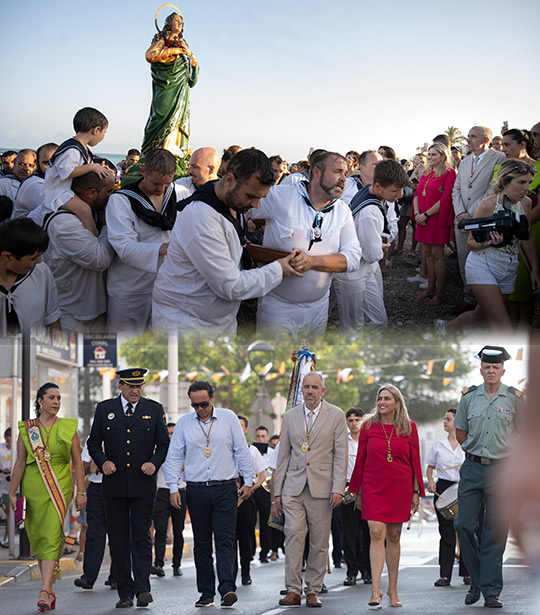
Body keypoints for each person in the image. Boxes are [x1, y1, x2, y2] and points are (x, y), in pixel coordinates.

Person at [152, 149, 300, 336]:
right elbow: (230, 285)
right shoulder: (202, 218)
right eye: (251, 196)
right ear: (229, 180)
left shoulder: (229, 201)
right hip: (186, 324)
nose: (256, 205)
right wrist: (279, 269)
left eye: (261, 198)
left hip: (217, 322)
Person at [251, 151, 362, 339]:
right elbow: (244, 208)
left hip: (318, 308)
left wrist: (311, 262)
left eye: (345, 173)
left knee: (309, 364)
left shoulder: (342, 211)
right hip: (278, 308)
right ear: (317, 172)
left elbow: (353, 258)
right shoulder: (280, 196)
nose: (344, 178)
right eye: (337, 172)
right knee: (276, 365)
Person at [164, 380, 255, 608]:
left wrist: (248, 480)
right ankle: (206, 593)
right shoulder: (185, 423)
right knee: (202, 544)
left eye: (203, 404)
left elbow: (241, 450)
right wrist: (173, 488)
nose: (200, 409)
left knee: (224, 540)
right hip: (196, 490)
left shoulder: (229, 418)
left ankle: (227, 588)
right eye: (195, 405)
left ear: (212, 399)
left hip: (225, 488)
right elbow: (174, 456)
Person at [87, 368, 170, 609]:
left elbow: (163, 445)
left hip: (143, 485)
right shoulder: (105, 409)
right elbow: (93, 443)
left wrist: (153, 464)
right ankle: (125, 592)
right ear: (121, 386)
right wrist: (103, 462)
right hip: (113, 486)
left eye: (139, 386)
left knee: (142, 537)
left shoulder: (154, 409)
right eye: (130, 386)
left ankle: (143, 589)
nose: (135, 390)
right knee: (119, 539)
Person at [272, 372, 348, 607]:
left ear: (322, 391)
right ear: (301, 390)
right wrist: (276, 494)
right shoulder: (290, 416)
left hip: (323, 489)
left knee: (319, 541)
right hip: (293, 487)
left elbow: (340, 456)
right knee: (294, 534)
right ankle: (293, 589)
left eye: (315, 387)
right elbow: (282, 455)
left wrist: (338, 488)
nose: (310, 391)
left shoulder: (336, 415)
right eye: (306, 387)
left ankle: (313, 589)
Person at [454, 346, 521, 609]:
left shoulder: (515, 398)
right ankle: (478, 580)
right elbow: (461, 433)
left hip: (503, 471)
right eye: (486, 367)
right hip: (472, 469)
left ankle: (489, 591)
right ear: (480, 369)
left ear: (503, 371)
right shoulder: (469, 397)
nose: (490, 371)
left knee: (495, 533)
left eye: (495, 367)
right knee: (463, 525)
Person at [8, 383, 86, 611]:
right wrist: (12, 493)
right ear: (40, 401)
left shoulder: (69, 427)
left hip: (59, 485)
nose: (56, 402)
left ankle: (43, 589)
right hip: (32, 486)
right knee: (39, 537)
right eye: (51, 397)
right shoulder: (27, 429)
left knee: (52, 533)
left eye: (59, 398)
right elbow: (20, 462)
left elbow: (78, 462)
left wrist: (81, 492)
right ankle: (49, 591)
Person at [441, 159, 539, 334]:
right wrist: (486, 243)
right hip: (483, 265)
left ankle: (446, 329)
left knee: (482, 317)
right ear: (504, 182)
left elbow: (528, 236)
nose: (527, 188)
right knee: (503, 327)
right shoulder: (487, 204)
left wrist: (534, 270)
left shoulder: (526, 204)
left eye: (529, 183)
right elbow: (470, 243)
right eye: (521, 182)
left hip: (509, 267)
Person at [349, 384, 425, 608]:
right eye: (379, 398)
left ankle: (393, 590)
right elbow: (361, 459)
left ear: (397, 403)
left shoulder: (409, 427)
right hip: (373, 486)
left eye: (387, 398)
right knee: (375, 532)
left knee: (393, 537)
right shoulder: (368, 426)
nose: (382, 402)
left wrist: (416, 491)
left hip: (400, 487)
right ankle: (375, 590)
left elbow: (415, 462)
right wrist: (356, 490)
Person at [107, 148, 183, 334]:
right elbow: (123, 247)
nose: (161, 189)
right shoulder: (121, 201)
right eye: (156, 183)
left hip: (165, 287)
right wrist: (163, 248)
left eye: (167, 183)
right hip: (130, 290)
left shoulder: (175, 194)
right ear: (143, 172)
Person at [334, 159, 408, 332]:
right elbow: (372, 255)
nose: (401, 195)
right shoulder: (370, 212)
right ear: (378, 186)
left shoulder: (367, 193)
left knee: (376, 320)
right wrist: (381, 247)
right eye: (395, 190)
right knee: (352, 326)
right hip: (353, 273)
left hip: (363, 269)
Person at [44, 171, 115, 332]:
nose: (112, 197)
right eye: (109, 191)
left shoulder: (92, 213)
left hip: (96, 311)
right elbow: (99, 260)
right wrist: (106, 226)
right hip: (71, 315)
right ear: (92, 193)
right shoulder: (64, 223)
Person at [452, 126, 506, 314]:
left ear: (485, 140)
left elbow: (493, 189)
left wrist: (472, 213)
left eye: (472, 137)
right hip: (461, 220)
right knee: (463, 259)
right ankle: (468, 299)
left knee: (483, 261)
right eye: (468, 136)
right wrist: (460, 213)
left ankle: (483, 306)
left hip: (483, 219)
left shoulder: (499, 158)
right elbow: (456, 189)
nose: (468, 139)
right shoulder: (465, 161)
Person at [40, 107, 111, 235]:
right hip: (57, 192)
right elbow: (67, 172)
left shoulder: (81, 148)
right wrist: (92, 167)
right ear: (96, 130)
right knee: (84, 210)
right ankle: (94, 237)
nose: (103, 137)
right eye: (104, 132)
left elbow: (83, 169)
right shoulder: (72, 149)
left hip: (65, 190)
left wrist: (98, 167)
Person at [142, 11, 199, 155]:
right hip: (166, 85)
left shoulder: (183, 43)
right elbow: (150, 56)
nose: (180, 24)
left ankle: (174, 154)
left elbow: (191, 71)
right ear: (168, 23)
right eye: (176, 21)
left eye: (182, 22)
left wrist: (192, 60)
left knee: (179, 119)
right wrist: (173, 51)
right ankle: (155, 153)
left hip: (181, 88)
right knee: (160, 116)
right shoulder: (162, 39)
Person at [425, 409, 469, 587]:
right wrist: (430, 481)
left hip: (464, 488)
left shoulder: (468, 443)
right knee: (446, 533)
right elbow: (430, 467)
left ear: (457, 422)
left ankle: (467, 573)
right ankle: (445, 575)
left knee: (466, 531)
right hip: (443, 488)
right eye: (444, 419)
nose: (444, 421)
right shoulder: (438, 444)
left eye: (448, 419)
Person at [0, 218, 61, 336]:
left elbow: (52, 317)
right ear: (7, 257)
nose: (39, 261)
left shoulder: (41, 272)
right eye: (33, 258)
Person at [413, 143, 456, 306]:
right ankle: (429, 289)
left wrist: (425, 215)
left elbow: (445, 199)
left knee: (438, 255)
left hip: (436, 219)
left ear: (443, 156)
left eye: (434, 155)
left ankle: (440, 293)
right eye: (429, 154)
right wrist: (417, 214)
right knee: (427, 254)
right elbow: (417, 193)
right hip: (422, 218)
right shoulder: (426, 171)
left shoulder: (449, 173)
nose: (429, 157)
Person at [73, 439, 116, 590]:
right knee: (94, 533)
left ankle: (117, 576)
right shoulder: (93, 437)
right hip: (96, 488)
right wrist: (93, 461)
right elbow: (83, 467)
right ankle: (88, 577)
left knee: (118, 533)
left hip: (118, 487)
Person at [151, 421, 187, 578]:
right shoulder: (158, 450)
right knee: (161, 530)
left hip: (181, 491)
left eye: (173, 433)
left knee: (178, 531)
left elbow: (189, 467)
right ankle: (158, 563)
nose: (171, 437)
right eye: (168, 434)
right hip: (163, 492)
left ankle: (176, 565)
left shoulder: (185, 449)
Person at [341, 407, 372, 586]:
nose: (354, 423)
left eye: (357, 419)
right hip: (348, 489)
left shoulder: (369, 440)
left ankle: (367, 570)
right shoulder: (342, 441)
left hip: (367, 488)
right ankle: (351, 571)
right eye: (351, 420)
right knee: (349, 533)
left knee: (368, 532)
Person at [235, 415, 267, 585]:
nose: (238, 428)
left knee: (246, 537)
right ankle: (229, 573)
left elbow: (262, 475)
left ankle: (245, 573)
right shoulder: (224, 449)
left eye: (241, 426)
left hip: (246, 500)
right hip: (228, 499)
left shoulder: (252, 450)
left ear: (246, 430)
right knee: (229, 538)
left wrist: (250, 489)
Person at [11, 143, 58, 218]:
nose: (52, 166)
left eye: (57, 161)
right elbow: (57, 213)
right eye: (47, 162)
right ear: (37, 163)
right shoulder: (34, 183)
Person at [0, 427, 12, 548]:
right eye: (6, 436)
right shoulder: (1, 448)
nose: (8, 438)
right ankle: (9, 539)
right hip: (5, 485)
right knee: (9, 512)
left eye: (10, 436)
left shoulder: (18, 448)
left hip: (18, 485)